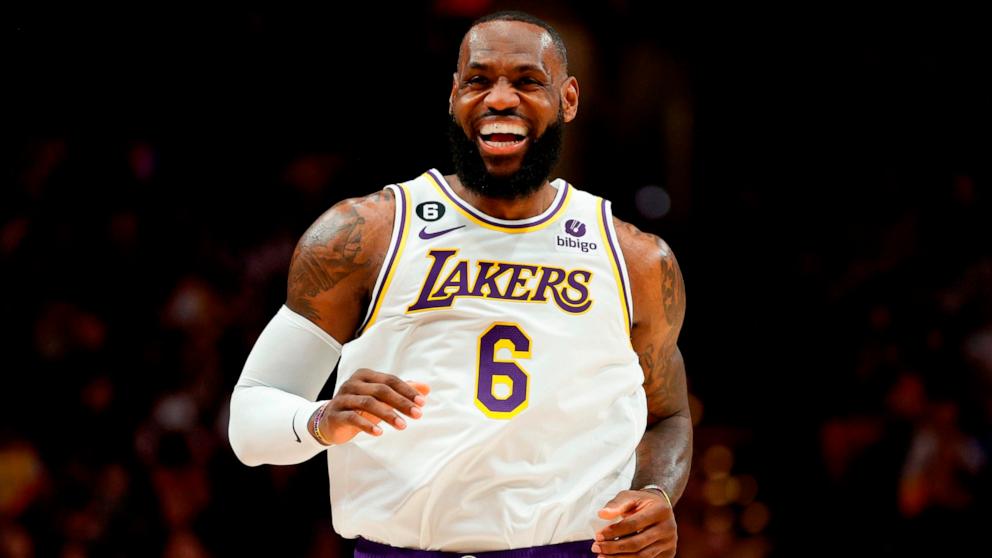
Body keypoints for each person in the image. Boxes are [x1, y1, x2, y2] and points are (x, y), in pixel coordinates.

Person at [229, 10, 691, 558]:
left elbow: (669, 417)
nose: (499, 98)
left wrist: (657, 491)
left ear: (567, 100)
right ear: (453, 96)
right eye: (478, 80)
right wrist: (321, 420)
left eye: (526, 81)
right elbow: (250, 418)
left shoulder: (636, 258)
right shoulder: (364, 235)